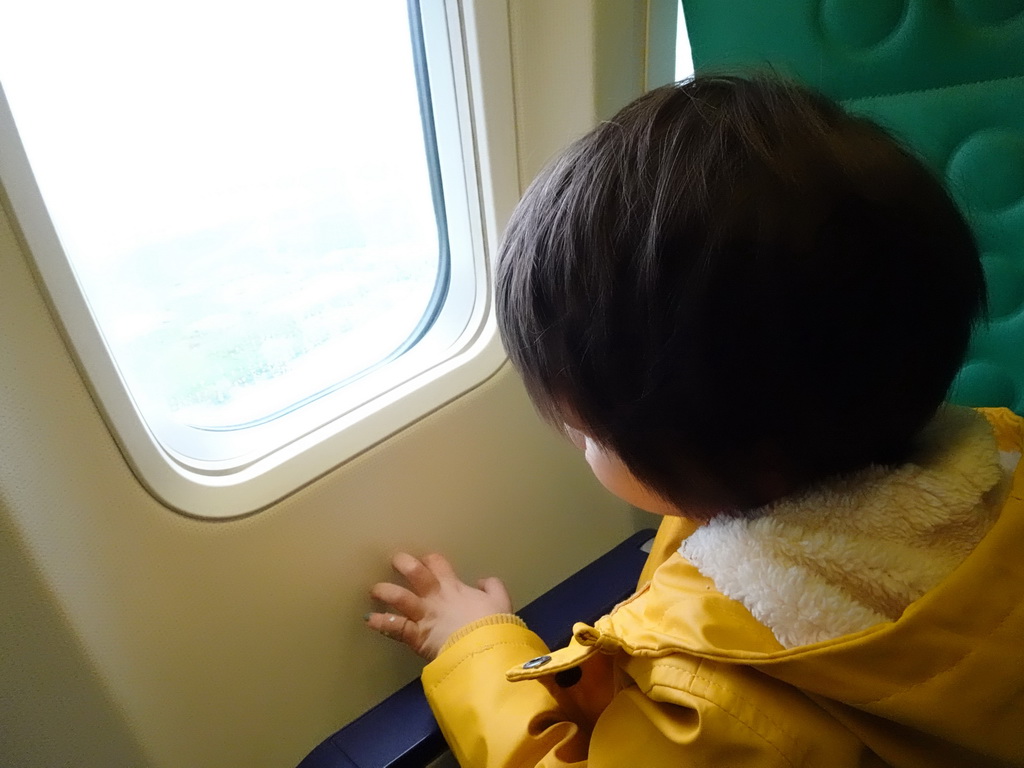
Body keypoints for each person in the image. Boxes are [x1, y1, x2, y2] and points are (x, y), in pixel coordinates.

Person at [364, 74, 1024, 766]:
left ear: (710, 445)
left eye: (589, 433)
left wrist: (477, 644)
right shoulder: (992, 468)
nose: (578, 444)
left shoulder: (714, 705)